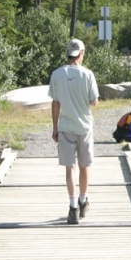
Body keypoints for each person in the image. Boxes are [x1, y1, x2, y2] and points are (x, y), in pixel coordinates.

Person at [48, 39, 99, 225]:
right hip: (84, 127)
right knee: (84, 166)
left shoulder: (56, 74)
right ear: (81, 53)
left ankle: (72, 207)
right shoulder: (88, 74)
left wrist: (54, 128)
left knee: (70, 167)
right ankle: (83, 200)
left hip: (65, 127)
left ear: (68, 54)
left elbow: (55, 103)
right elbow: (94, 101)